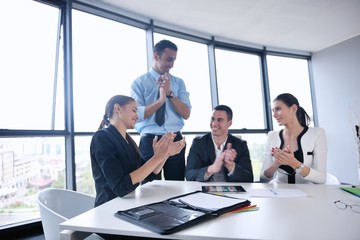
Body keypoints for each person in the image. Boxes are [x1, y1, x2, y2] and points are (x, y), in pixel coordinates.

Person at [90, 95, 186, 208]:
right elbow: (120, 187)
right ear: (117, 109)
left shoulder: (129, 141)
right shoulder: (101, 138)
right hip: (109, 208)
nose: (137, 116)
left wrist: (165, 154)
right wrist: (157, 158)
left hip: (128, 205)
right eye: (134, 110)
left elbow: (148, 174)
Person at [131, 39, 191, 181]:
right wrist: (160, 101)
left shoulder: (178, 83)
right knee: (149, 187)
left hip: (174, 138)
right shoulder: (138, 83)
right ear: (156, 56)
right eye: (169, 59)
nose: (172, 65)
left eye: (174, 60)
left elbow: (186, 113)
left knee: (176, 186)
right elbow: (137, 115)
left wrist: (170, 94)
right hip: (150, 140)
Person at [260, 93, 327, 184]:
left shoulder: (317, 133)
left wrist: (294, 163)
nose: (274, 115)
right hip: (278, 194)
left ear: (293, 108)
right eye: (273, 111)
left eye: (278, 109)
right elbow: (263, 179)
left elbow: (321, 179)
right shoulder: (272, 136)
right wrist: (276, 164)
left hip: (307, 194)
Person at [185, 105, 254, 182]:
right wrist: (211, 169)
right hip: (204, 190)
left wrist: (231, 166)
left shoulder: (240, 145)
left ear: (229, 123)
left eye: (220, 120)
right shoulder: (199, 143)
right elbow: (189, 175)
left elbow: (249, 178)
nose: (214, 123)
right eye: (212, 119)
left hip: (232, 191)